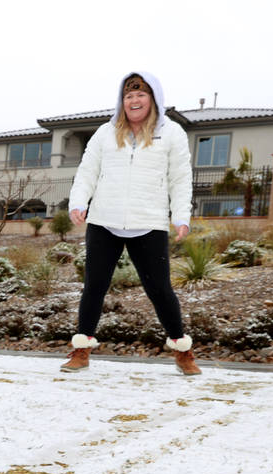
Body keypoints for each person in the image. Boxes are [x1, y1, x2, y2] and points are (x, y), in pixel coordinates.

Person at [63, 70, 202, 377]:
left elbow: (181, 179)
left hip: (149, 221)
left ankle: (182, 350)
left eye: (140, 94)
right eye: (128, 95)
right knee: (94, 287)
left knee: (160, 290)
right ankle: (81, 349)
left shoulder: (172, 133)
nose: (134, 100)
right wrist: (78, 202)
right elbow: (87, 171)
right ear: (121, 101)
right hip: (104, 220)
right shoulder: (105, 132)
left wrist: (181, 216)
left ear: (153, 98)